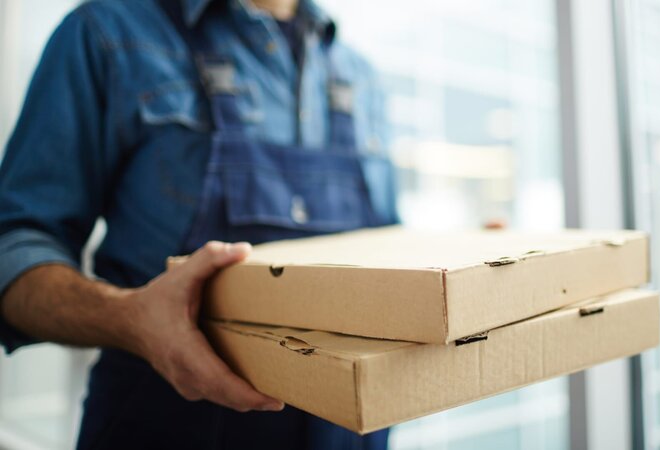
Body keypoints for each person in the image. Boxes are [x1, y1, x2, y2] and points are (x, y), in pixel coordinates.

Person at [0, 0, 397, 448]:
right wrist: (128, 319)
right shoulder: (106, 33)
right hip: (165, 427)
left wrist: (472, 261)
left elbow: (386, 248)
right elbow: (13, 246)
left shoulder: (360, 75)